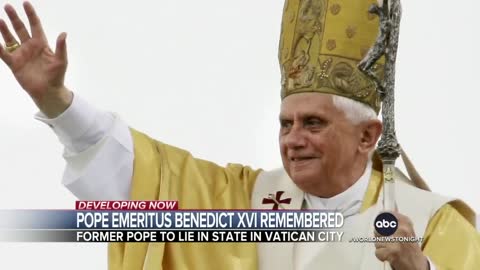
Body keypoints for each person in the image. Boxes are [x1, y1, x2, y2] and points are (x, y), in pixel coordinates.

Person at [1, 1, 479, 270]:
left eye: (314, 123)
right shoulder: (250, 200)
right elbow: (148, 178)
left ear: (367, 135)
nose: (293, 139)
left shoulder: (433, 225)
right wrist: (57, 103)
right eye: (285, 124)